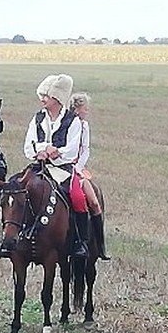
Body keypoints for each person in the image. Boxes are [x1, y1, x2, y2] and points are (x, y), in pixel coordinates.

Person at [23, 73, 89, 257]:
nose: (42, 99)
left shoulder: (73, 121)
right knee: (17, 189)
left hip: (62, 169)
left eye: (46, 95)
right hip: (39, 166)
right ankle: (18, 234)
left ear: (57, 98)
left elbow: (72, 149)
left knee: (77, 196)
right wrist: (42, 149)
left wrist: (56, 152)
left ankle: (81, 241)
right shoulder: (37, 119)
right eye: (41, 95)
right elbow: (28, 146)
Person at [70, 92, 109, 260]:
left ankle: (99, 246)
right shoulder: (66, 123)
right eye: (85, 108)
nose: (87, 111)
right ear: (77, 109)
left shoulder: (84, 126)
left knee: (94, 202)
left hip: (77, 168)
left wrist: (78, 168)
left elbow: (85, 149)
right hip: (61, 165)